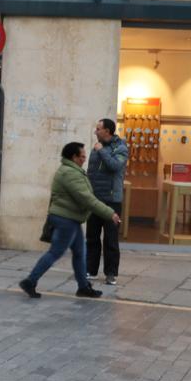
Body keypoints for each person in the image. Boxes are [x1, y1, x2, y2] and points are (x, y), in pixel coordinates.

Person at [19, 142, 122, 300]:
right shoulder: (70, 173)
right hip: (65, 219)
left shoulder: (72, 170)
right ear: (73, 157)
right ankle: (30, 281)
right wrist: (110, 213)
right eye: (82, 156)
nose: (84, 159)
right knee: (55, 252)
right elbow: (87, 198)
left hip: (71, 218)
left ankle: (83, 287)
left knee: (80, 253)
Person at [86, 117, 129, 285]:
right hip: (95, 199)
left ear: (108, 131)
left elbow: (115, 166)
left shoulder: (121, 148)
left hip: (112, 200)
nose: (95, 131)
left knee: (111, 238)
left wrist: (101, 151)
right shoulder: (97, 148)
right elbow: (92, 171)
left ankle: (111, 273)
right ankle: (91, 269)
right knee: (92, 236)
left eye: (98, 129)